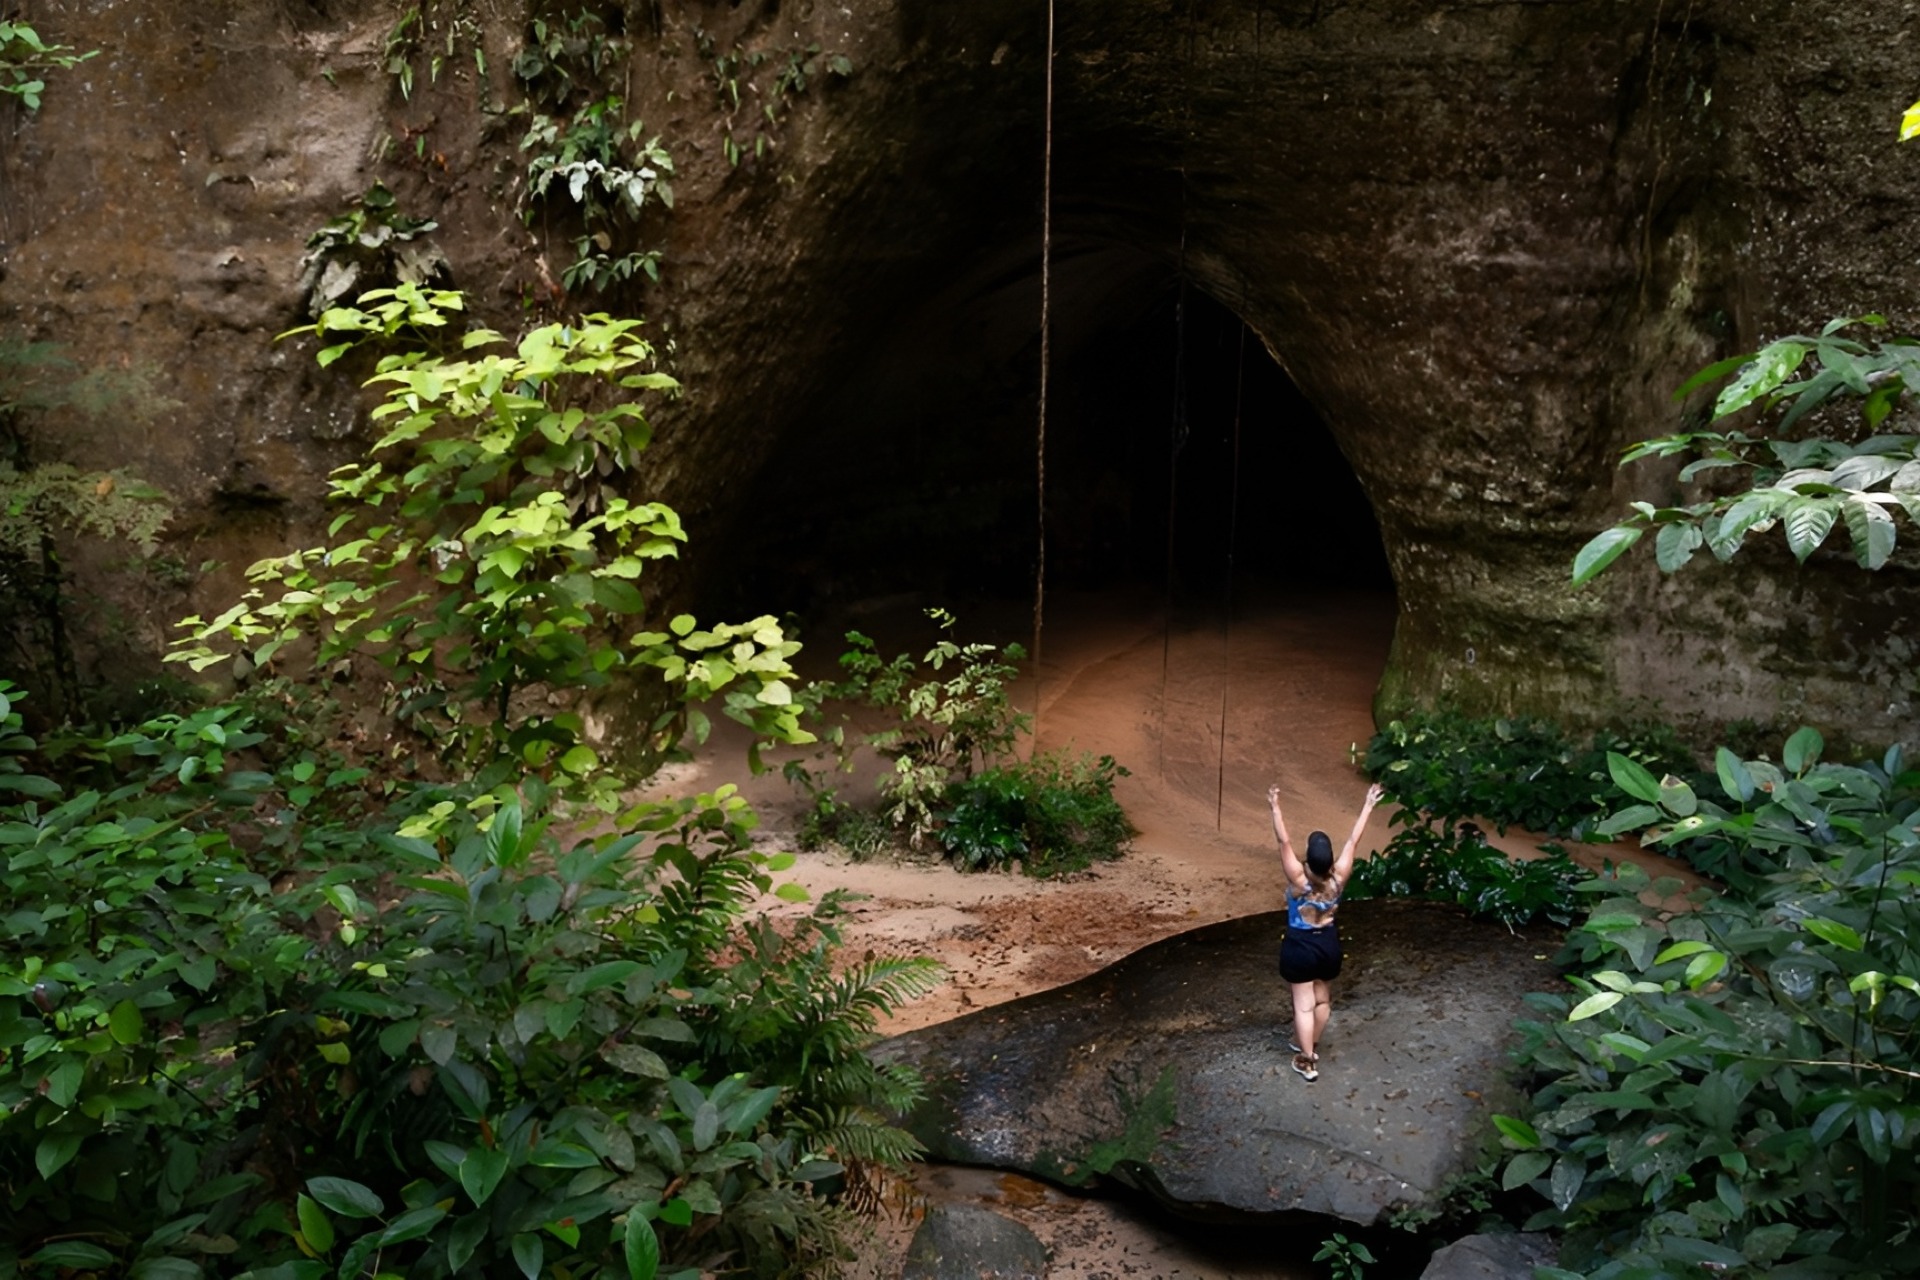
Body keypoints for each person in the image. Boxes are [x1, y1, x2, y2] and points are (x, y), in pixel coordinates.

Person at [1267, 780, 1385, 1082]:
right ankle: (1309, 1043)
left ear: (1309, 857)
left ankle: (1306, 1060)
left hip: (1300, 946)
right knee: (1322, 1001)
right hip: (1329, 945)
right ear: (1330, 860)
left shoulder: (1298, 879)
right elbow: (1353, 842)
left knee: (1303, 1006)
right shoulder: (1340, 876)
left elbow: (1283, 842)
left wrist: (1275, 806)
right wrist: (1368, 805)